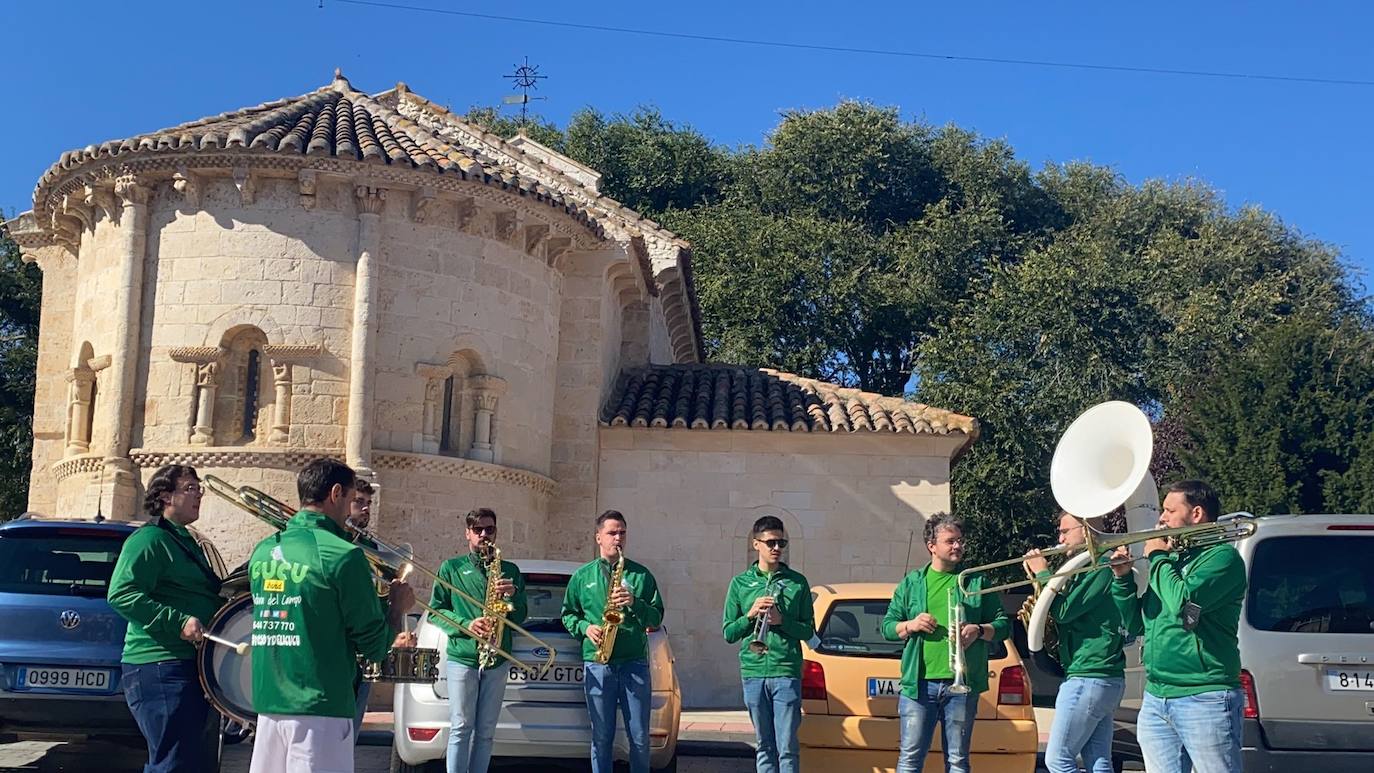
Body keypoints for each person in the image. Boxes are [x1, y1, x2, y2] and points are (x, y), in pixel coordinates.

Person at [247, 458, 416, 773]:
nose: (351, 513)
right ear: (336, 493)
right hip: (320, 701)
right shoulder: (344, 555)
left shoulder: (262, 550)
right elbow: (375, 647)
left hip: (269, 699)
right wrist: (395, 608)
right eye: (352, 500)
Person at [1111, 480, 1247, 773]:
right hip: (1158, 695)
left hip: (1205, 695)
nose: (1161, 518)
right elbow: (1137, 624)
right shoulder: (1172, 562)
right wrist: (1122, 580)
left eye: (1170, 510)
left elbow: (1184, 604)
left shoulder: (1222, 558)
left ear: (1196, 514)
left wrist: (1158, 557)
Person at [107, 464, 225, 773]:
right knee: (173, 764)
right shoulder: (149, 540)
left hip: (184, 666)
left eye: (199, 488)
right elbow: (121, 594)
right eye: (190, 488)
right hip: (160, 667)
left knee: (189, 763)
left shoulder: (187, 541)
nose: (199, 494)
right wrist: (178, 621)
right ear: (164, 496)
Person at [882, 512, 1010, 773]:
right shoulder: (911, 584)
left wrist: (979, 629)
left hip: (961, 685)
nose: (958, 546)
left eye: (960, 540)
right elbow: (886, 628)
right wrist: (910, 625)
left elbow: (1003, 625)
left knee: (957, 761)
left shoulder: (975, 581)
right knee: (909, 759)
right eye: (950, 541)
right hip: (919, 685)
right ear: (932, 546)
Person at [1024, 512, 1129, 773]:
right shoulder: (1085, 569)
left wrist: (1042, 572)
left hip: (1088, 676)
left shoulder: (1102, 565)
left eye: (1064, 531)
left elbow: (1062, 612)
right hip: (1097, 676)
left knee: (1057, 760)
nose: (1059, 538)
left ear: (1086, 530)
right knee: (1098, 761)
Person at [560, 511, 665, 773]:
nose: (618, 538)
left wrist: (634, 602)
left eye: (622, 533)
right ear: (598, 538)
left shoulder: (641, 575)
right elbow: (568, 614)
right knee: (601, 737)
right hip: (598, 662)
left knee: (640, 738)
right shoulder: (582, 576)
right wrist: (586, 628)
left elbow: (656, 616)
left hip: (633, 663)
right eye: (612, 533)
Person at [429, 508, 528, 773]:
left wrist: (513, 595)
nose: (484, 535)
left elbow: (521, 617)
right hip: (464, 656)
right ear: (467, 534)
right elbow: (435, 612)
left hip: (497, 658)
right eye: (478, 530)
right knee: (461, 727)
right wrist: (467, 624)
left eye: (490, 529)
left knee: (486, 731)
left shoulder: (510, 570)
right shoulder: (451, 568)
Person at [722, 516, 815, 773]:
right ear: (756, 544)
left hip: (785, 670)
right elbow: (728, 632)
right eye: (771, 542)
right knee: (764, 746)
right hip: (753, 672)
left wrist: (782, 621)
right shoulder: (740, 583)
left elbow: (809, 631)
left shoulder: (797, 582)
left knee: (786, 747)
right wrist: (750, 615)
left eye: (781, 542)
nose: (777, 548)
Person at [347, 478, 376, 742]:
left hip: (363, 654)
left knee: (350, 733)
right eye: (359, 502)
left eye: (369, 503)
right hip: (341, 650)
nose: (366, 509)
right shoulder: (337, 544)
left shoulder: (372, 547)